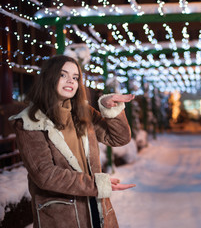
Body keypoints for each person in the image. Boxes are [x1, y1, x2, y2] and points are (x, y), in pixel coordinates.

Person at [9, 55, 136, 228]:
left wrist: (108, 107)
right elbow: (45, 175)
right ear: (49, 77)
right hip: (62, 217)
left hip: (96, 208)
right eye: (63, 75)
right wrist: (96, 184)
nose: (71, 81)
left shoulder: (83, 112)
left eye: (75, 77)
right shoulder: (30, 121)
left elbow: (119, 138)